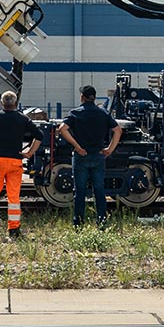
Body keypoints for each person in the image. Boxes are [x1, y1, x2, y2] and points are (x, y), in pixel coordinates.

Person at [0, 91, 40, 238]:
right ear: (15, 103)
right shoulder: (23, 119)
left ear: (2, 103)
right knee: (14, 196)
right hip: (15, 162)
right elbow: (39, 136)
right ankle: (13, 229)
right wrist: (29, 152)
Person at [57, 84, 121, 226]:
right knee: (99, 189)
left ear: (82, 97)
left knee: (80, 191)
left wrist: (77, 146)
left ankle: (78, 222)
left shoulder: (76, 113)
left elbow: (62, 128)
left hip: (81, 156)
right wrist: (110, 149)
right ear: (94, 98)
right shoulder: (103, 113)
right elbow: (117, 130)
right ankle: (102, 221)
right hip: (99, 155)